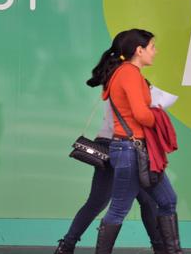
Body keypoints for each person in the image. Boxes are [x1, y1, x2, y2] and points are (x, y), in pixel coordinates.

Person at [90, 29, 183, 254]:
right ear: (139, 51)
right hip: (130, 150)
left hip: (134, 150)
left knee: (167, 200)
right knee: (120, 208)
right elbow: (141, 115)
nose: (155, 51)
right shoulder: (129, 73)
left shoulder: (124, 73)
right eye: (152, 47)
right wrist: (159, 117)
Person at [54, 102, 165, 253]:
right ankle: (67, 245)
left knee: (146, 200)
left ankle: (66, 246)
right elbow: (123, 126)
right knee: (102, 201)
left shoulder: (120, 88)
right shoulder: (125, 90)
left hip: (126, 148)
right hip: (118, 147)